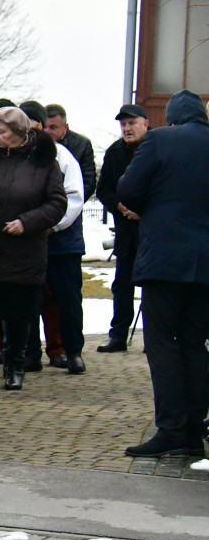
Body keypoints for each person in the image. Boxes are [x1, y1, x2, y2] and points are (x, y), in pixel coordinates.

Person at [117, 90, 209, 458]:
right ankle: (193, 430)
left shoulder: (160, 139)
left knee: (161, 343)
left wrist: (150, 207)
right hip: (206, 265)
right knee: (193, 343)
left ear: (170, 119)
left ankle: (170, 427)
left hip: (166, 261)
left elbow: (128, 188)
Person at [0, 107, 67, 391]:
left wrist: (27, 222)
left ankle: (15, 366)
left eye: (2, 132)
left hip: (25, 250)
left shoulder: (43, 161)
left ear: (19, 133)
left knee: (19, 312)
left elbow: (57, 203)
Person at [19, 100, 86, 376]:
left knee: (67, 299)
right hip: (25, 240)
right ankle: (29, 353)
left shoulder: (63, 156)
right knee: (28, 300)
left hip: (60, 242)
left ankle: (73, 352)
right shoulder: (15, 156)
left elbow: (74, 198)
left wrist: (50, 225)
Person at [95, 104, 149, 353]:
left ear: (145, 123)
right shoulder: (115, 152)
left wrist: (145, 210)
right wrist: (120, 207)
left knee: (152, 286)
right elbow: (103, 189)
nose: (127, 129)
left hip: (151, 231)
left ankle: (153, 338)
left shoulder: (156, 147)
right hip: (126, 230)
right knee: (122, 285)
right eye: (123, 124)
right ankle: (117, 336)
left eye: (132, 123)